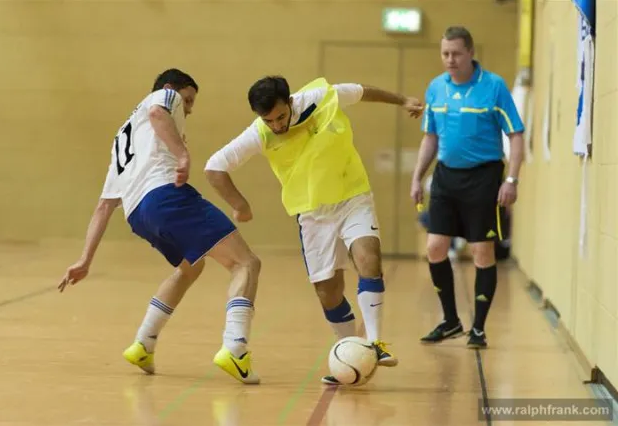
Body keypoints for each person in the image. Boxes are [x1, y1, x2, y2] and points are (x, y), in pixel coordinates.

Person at [204, 76, 423, 384]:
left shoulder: (322, 98)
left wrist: (403, 100)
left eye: (280, 117)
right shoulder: (260, 133)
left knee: (369, 259)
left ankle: (375, 342)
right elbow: (214, 167)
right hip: (312, 214)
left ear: (290, 102)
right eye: (268, 120)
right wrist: (239, 204)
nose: (277, 125)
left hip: (352, 196)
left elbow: (362, 92)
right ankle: (351, 350)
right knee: (328, 293)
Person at [58, 69, 262, 385]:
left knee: (191, 268)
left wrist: (85, 259)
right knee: (246, 263)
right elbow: (158, 112)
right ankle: (235, 348)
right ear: (170, 88)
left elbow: (104, 206)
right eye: (188, 100)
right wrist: (183, 155)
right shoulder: (162, 97)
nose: (189, 109)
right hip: (165, 196)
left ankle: (144, 343)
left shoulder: (123, 139)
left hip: (138, 215)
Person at [410, 26, 525, 349]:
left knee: (481, 250)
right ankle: (450, 321)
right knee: (435, 247)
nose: (450, 59)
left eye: (456, 53)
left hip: (483, 178)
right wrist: (417, 176)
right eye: (445, 53)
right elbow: (430, 137)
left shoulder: (493, 86)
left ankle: (478, 328)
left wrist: (512, 179)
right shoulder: (436, 88)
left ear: (471, 53)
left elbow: (516, 134)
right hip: (446, 177)